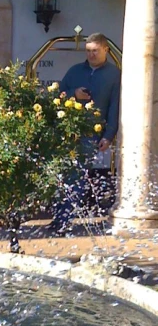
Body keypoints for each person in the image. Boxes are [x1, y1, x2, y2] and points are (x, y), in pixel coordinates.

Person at [50, 32, 121, 234]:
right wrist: (74, 94)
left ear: (105, 50)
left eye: (95, 51)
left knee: (77, 176)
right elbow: (58, 95)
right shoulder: (75, 71)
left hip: (92, 132)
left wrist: (109, 134)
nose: (91, 55)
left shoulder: (114, 75)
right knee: (63, 175)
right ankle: (59, 218)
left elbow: (115, 106)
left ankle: (63, 221)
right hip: (68, 130)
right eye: (88, 51)